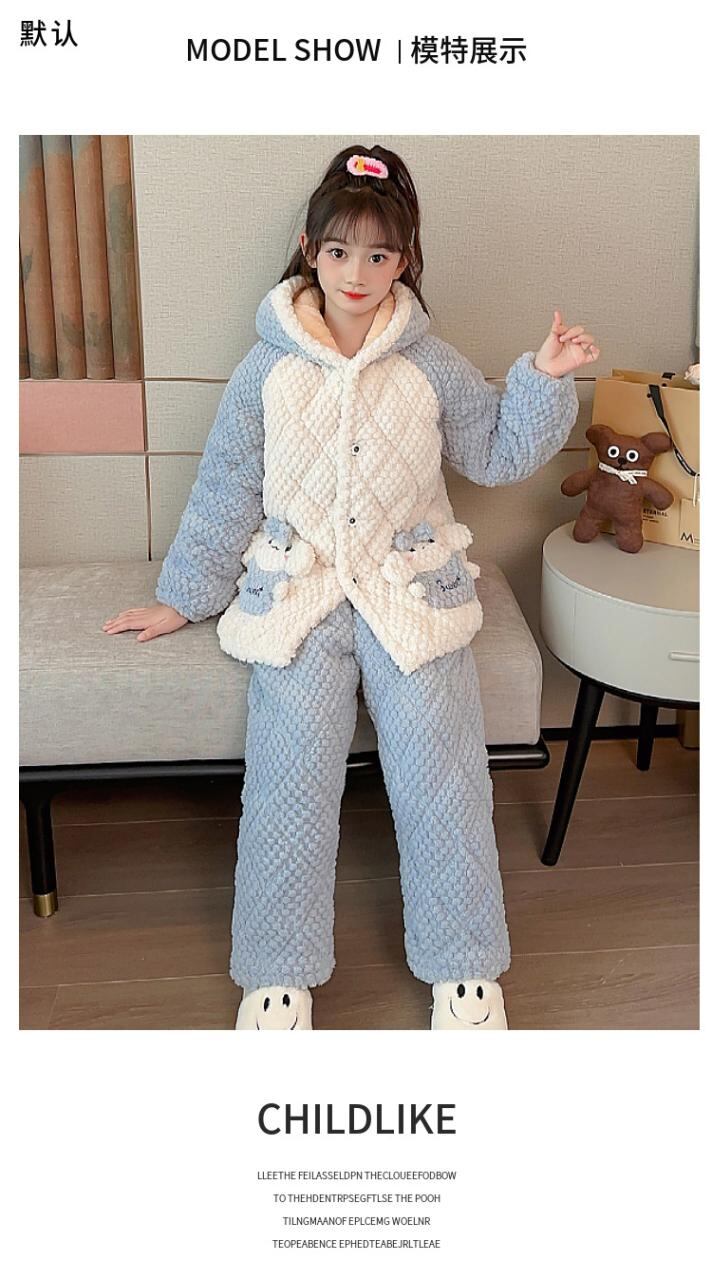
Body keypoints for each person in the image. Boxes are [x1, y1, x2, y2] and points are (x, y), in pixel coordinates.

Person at [103, 144, 599, 1031]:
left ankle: (466, 971)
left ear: (404, 260)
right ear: (309, 250)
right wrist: (184, 595)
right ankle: (276, 976)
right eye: (338, 252)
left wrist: (544, 379)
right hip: (299, 600)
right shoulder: (266, 370)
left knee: (444, 780)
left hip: (411, 597)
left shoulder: (431, 363)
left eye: (378, 254)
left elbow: (493, 454)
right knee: (287, 784)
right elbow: (227, 487)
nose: (357, 274)